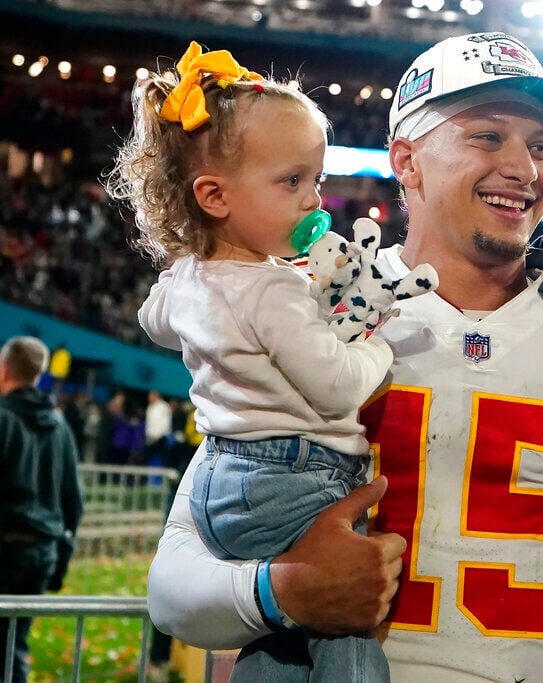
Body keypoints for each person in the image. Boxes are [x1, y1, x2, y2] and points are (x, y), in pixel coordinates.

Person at [147, 32, 543, 681]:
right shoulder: (307, 310)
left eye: (540, 146)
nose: (524, 168)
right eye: (488, 136)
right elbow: (174, 587)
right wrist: (288, 592)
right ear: (406, 159)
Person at [105, 41, 434, 681]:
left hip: (221, 481)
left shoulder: (189, 279)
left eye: (315, 180)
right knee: (345, 624)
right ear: (215, 195)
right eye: (292, 182)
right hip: (296, 476)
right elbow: (336, 387)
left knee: (283, 644)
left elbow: (155, 322)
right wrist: (374, 343)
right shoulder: (275, 290)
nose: (314, 200)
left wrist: (210, 309)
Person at [0, 336, 84, 683]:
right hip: (41, 552)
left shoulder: (3, 418)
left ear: (5, 369)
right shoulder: (60, 426)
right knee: (13, 646)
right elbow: (73, 502)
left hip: (5, 548)